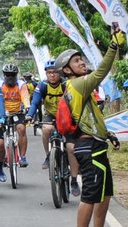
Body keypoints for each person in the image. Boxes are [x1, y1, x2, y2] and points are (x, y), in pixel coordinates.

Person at [56, 27, 124, 227]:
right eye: (76, 61)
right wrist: (113, 46)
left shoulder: (83, 89)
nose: (82, 62)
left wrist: (109, 135)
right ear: (67, 70)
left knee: (104, 193)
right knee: (90, 195)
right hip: (88, 148)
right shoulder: (78, 84)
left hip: (96, 144)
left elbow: (92, 118)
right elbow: (101, 72)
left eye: (81, 59)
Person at [26, 59, 80, 196]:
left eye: (55, 72)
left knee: (70, 148)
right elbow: (35, 102)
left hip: (66, 116)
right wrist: (30, 115)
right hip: (50, 115)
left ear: (59, 72)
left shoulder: (65, 84)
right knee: (46, 129)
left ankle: (74, 180)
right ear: (46, 74)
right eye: (49, 73)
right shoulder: (42, 85)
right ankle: (48, 155)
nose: (52, 75)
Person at [0, 63, 30, 167]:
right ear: (4, 75)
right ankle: (2, 156)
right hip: (3, 112)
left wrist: (27, 107)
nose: (10, 77)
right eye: (8, 75)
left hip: (18, 112)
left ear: (16, 75)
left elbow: (25, 97)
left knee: (21, 129)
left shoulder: (21, 84)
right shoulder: (0, 85)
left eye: (13, 75)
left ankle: (23, 157)